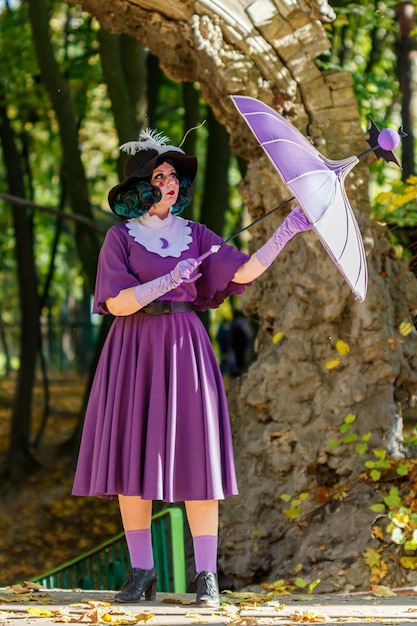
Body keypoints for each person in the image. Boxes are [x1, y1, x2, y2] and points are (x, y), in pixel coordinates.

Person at [72, 128, 312, 607]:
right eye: (161, 175)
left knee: (197, 461)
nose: (172, 182)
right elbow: (116, 304)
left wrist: (286, 230)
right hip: (133, 350)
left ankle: (207, 577)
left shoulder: (197, 234)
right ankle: (142, 573)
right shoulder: (118, 238)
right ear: (141, 185)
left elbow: (241, 273)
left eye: (174, 176)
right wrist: (164, 282)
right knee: (130, 460)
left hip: (186, 348)